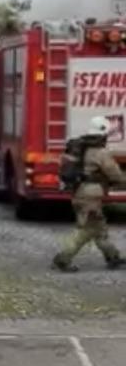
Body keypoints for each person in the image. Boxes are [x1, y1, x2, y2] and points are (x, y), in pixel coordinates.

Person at [53, 116, 125, 272]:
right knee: (86, 229)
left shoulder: (79, 147)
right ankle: (63, 259)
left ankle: (113, 257)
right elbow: (115, 174)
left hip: (79, 192)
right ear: (104, 133)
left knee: (99, 228)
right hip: (91, 195)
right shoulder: (100, 152)